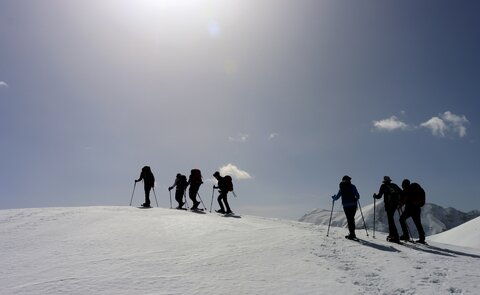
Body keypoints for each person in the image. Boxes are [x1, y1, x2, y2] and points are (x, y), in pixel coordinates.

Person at [374, 176, 401, 243]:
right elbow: (401, 192)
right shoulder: (394, 185)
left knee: (391, 220)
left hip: (389, 205)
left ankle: (395, 237)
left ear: (384, 181)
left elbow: (379, 196)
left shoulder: (383, 186)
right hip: (395, 204)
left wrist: (375, 196)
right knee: (391, 219)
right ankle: (392, 235)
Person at [399, 179, 426, 244]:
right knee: (418, 223)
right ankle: (422, 239)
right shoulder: (417, 188)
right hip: (417, 208)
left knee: (402, 220)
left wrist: (399, 205)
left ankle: (406, 235)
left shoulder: (406, 190)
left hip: (409, 209)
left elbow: (403, 200)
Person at [332, 175, 360, 240]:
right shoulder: (353, 186)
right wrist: (356, 197)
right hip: (353, 205)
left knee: (349, 219)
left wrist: (334, 198)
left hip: (346, 205)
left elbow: (337, 197)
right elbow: (358, 196)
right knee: (352, 219)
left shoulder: (341, 187)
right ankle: (352, 233)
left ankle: (352, 234)